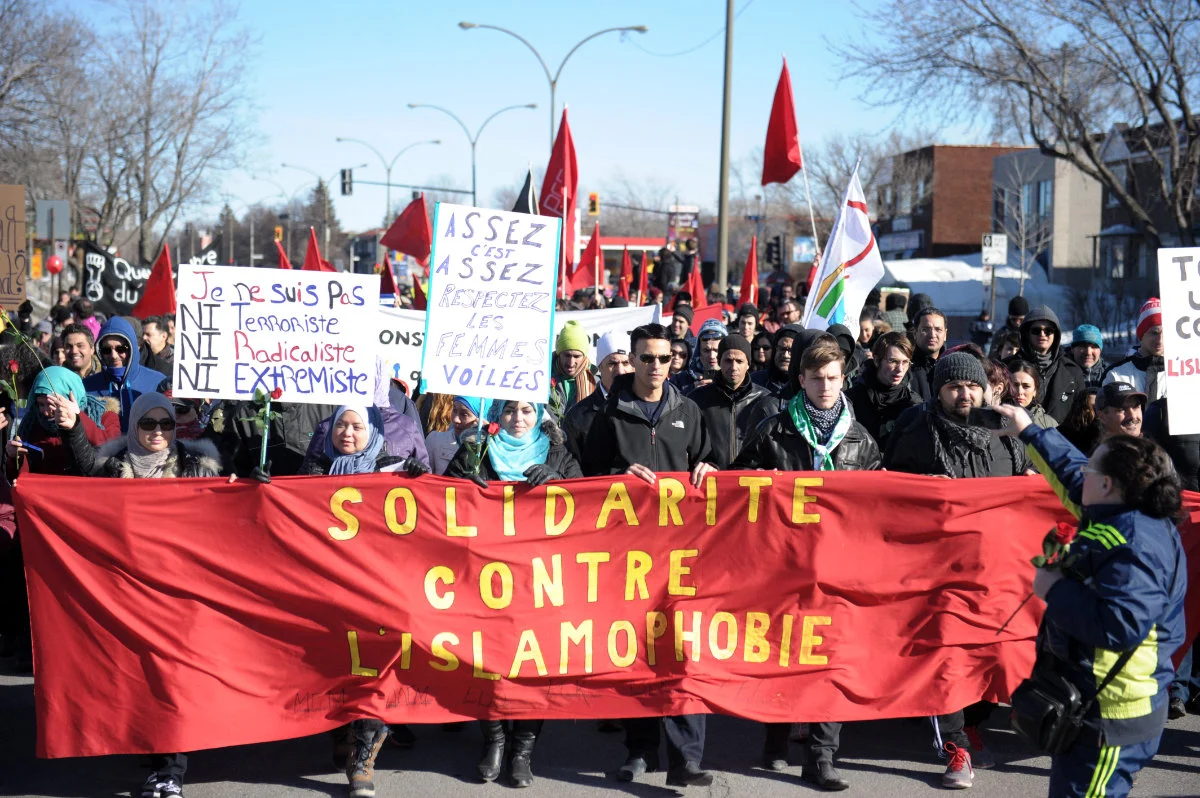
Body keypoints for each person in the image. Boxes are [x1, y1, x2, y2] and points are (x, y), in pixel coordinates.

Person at [993, 403, 1187, 798]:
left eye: (1091, 470)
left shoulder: (1135, 543)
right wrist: (1029, 430)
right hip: (1096, 704)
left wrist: (1053, 589)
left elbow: (1121, 625)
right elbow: (1070, 469)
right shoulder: (1117, 509)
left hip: (1112, 716)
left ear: (1109, 484)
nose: (1083, 473)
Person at [733, 336, 880, 791]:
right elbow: (735, 483)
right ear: (801, 379)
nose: (824, 386)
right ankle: (775, 740)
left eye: (833, 378)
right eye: (815, 378)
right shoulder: (773, 429)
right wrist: (758, 481)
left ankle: (821, 757)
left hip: (838, 568)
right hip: (782, 564)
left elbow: (879, 502)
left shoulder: (860, 438)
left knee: (830, 660)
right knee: (782, 655)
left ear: (843, 379)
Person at [884, 352, 1033, 788]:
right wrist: (929, 496)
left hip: (995, 571)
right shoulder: (915, 432)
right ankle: (954, 748)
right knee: (947, 660)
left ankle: (975, 720)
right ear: (940, 390)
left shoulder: (1006, 431)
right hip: (938, 572)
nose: (963, 394)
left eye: (971, 386)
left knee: (999, 654)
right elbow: (889, 498)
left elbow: (1029, 485)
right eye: (954, 387)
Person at [64, 392, 221, 798]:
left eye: (165, 424)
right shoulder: (112, 466)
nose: (157, 432)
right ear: (133, 425)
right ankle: (149, 745)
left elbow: (224, 515)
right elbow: (80, 502)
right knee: (139, 675)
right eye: (147, 424)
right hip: (127, 588)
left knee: (171, 677)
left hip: (179, 592)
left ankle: (170, 770)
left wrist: (248, 486)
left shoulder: (197, 467)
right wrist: (68, 430)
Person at [585, 323, 715, 788]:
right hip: (629, 553)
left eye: (664, 359)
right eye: (647, 358)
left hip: (681, 551)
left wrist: (709, 467)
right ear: (633, 360)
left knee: (685, 649)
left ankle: (687, 758)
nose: (656, 366)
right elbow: (587, 476)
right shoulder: (608, 414)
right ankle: (640, 751)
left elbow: (708, 462)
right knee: (639, 649)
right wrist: (619, 473)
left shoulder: (689, 410)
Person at [444, 398, 581, 787]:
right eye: (508, 411)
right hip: (484, 579)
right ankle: (494, 740)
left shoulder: (557, 452)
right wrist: (463, 482)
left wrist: (558, 481)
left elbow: (587, 503)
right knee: (486, 660)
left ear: (539, 416)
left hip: (539, 579)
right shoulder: (475, 452)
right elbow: (443, 499)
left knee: (531, 662)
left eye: (525, 411)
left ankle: (523, 748)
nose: (517, 419)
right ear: (495, 417)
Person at [300, 405, 424, 797]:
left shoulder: (393, 469)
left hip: (379, 588)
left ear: (372, 430)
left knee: (375, 668)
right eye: (341, 425)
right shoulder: (314, 469)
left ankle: (364, 756)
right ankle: (340, 729)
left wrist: (419, 483)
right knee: (335, 663)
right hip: (329, 586)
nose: (348, 433)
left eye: (357, 426)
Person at [6, 366, 120, 479]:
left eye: (52, 404)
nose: (46, 412)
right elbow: (20, 479)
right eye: (41, 404)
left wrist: (78, 420)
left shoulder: (105, 416)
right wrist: (16, 457)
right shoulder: (31, 423)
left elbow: (111, 450)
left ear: (69, 397)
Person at [688, 334, 773, 469]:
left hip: (752, 484)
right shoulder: (696, 400)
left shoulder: (766, 400)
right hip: (710, 482)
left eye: (739, 361)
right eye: (728, 360)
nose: (733, 367)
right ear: (719, 361)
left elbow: (773, 447)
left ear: (748, 364)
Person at [563, 331, 633, 476]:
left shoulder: (648, 406)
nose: (620, 371)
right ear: (600, 367)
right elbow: (571, 468)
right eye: (612, 363)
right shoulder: (577, 416)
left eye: (625, 363)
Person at [84, 317, 170, 431]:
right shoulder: (87, 386)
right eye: (106, 350)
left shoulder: (158, 382)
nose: (114, 355)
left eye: (121, 349)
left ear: (132, 348)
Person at [845, 331, 922, 449]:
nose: (900, 369)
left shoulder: (913, 403)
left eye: (905, 362)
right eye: (893, 361)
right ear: (876, 360)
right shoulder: (851, 399)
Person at [1018, 306, 1084, 424]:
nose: (1042, 334)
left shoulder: (1073, 371)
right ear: (1027, 334)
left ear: (1056, 334)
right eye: (1036, 330)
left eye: (1048, 331)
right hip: (1017, 436)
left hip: (1060, 439)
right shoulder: (1009, 368)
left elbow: (1081, 416)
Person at [1103, 298, 1165, 403]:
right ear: (1141, 335)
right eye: (1154, 333)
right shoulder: (1116, 374)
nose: (1160, 340)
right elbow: (1106, 415)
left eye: (1165, 332)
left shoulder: (1182, 373)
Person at [549, 320, 596, 416]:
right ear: (559, 354)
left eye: (576, 356)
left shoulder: (596, 380)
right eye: (567, 355)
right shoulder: (542, 375)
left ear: (584, 356)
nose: (571, 363)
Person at [424, 396, 480, 475]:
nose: (455, 419)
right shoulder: (435, 440)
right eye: (454, 410)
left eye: (464, 414)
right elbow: (424, 480)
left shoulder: (492, 450)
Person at [672, 319, 726, 395]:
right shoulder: (679, 380)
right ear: (698, 352)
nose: (712, 356)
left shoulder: (735, 377)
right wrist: (691, 391)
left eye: (716, 350)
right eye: (706, 350)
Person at [908, 307, 947, 401]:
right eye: (925, 329)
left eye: (938, 329)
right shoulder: (904, 365)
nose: (932, 335)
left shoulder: (952, 366)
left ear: (945, 334)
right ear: (915, 333)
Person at [1006, 358, 1059, 429]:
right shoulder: (994, 418)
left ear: (1035, 391)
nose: (1020, 392)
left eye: (1026, 386)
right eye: (1015, 385)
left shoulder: (1049, 424)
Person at [751, 325, 801, 398]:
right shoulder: (755, 382)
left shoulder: (809, 386)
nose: (785, 355)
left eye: (791, 350)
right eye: (781, 349)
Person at [1059, 387, 1100, 454]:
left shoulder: (1105, 438)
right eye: (1086, 407)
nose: (1089, 411)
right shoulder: (1061, 433)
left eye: (1095, 408)